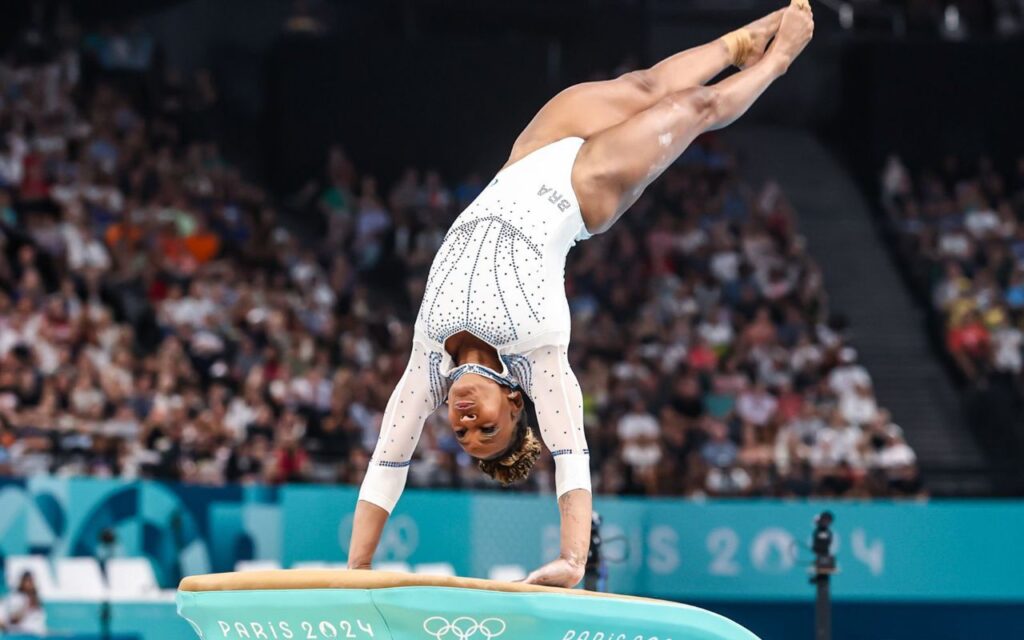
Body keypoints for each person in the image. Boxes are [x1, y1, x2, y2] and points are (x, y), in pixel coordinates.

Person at [348, 0, 815, 587]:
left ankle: (737, 43)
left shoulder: (427, 363)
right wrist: (573, 560)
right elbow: (571, 458)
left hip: (523, 159)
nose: (466, 424)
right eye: (486, 430)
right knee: (693, 107)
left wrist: (357, 568)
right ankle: (778, 61)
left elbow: (388, 462)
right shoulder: (537, 356)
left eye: (463, 434)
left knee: (642, 85)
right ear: (516, 405)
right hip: (582, 188)